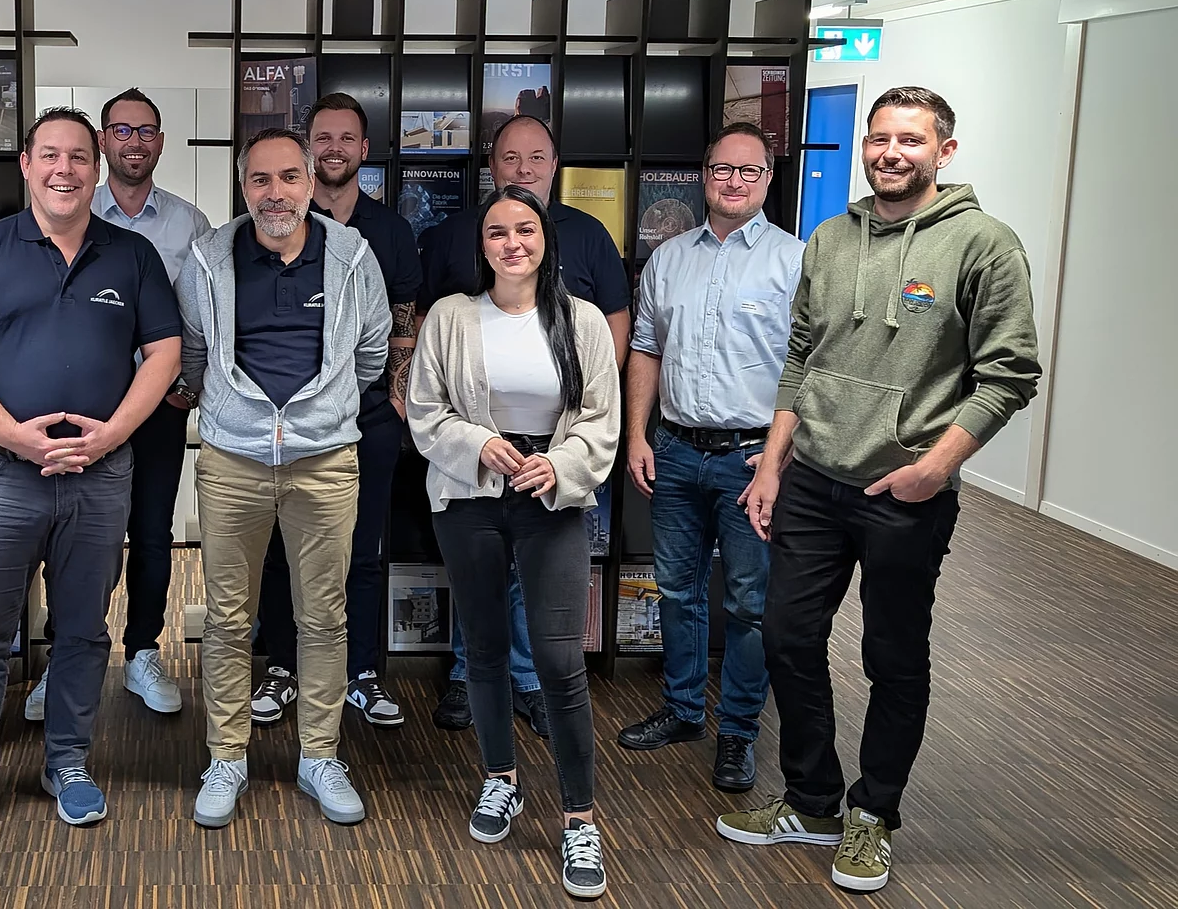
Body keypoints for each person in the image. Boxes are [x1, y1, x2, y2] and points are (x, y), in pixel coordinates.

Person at [719, 87, 1040, 893]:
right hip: (812, 478)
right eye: (879, 138)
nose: (890, 153)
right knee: (786, 636)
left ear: (944, 151)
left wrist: (936, 467)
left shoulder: (984, 245)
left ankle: (874, 813)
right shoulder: (831, 238)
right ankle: (812, 800)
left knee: (892, 656)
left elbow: (1010, 373)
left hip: (905, 492)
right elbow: (800, 356)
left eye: (910, 140)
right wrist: (771, 464)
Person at [0, 108, 181, 848]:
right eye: (50, 155)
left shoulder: (132, 256)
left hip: (99, 478)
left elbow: (164, 355)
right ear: (27, 164)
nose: (64, 169)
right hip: (3, 474)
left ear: (95, 169)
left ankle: (67, 763)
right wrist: (15, 435)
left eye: (78, 157)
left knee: (83, 630)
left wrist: (113, 434)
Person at [407, 185, 618, 898]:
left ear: (544, 238)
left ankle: (579, 817)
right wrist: (477, 442)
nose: (511, 244)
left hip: (550, 494)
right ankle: (500, 778)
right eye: (497, 232)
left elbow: (601, 417)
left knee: (559, 661)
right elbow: (425, 409)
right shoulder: (451, 316)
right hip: (469, 497)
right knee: (486, 648)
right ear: (482, 244)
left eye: (524, 230)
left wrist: (559, 464)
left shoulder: (582, 320)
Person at [179, 127, 391, 829]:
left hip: (324, 462)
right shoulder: (209, 259)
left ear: (309, 183)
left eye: (289, 178)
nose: (276, 193)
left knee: (323, 618)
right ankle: (227, 757)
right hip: (232, 461)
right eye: (260, 179)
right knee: (229, 619)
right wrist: (241, 417)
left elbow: (370, 353)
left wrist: (317, 418)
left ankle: (319, 756)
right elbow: (194, 353)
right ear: (243, 187)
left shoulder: (352, 257)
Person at [417, 114, 630, 735]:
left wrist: (577, 421)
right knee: (479, 587)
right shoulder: (453, 244)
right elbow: (431, 347)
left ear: (554, 165)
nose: (523, 169)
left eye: (536, 158)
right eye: (511, 158)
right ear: (491, 165)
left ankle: (529, 681)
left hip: (556, 452)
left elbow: (613, 327)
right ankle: (472, 676)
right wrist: (475, 442)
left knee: (540, 595)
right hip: (477, 460)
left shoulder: (589, 239)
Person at [617, 123, 804, 793]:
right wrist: (637, 435)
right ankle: (684, 709)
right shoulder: (669, 259)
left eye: (749, 171)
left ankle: (739, 732)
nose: (733, 181)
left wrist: (778, 460)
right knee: (676, 589)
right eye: (723, 169)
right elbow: (646, 349)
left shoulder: (794, 261)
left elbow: (807, 367)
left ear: (767, 180)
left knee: (750, 603)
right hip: (674, 450)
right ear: (704, 175)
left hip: (752, 460)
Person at [23, 87, 210, 720]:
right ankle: (65, 657)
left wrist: (191, 383)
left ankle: (143, 653)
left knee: (151, 533)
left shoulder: (189, 224)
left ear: (161, 142)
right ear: (103, 143)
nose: (134, 141)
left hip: (157, 406)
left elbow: (204, 315)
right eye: (121, 130)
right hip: (83, 409)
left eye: (146, 130)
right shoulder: (72, 207)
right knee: (72, 536)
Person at [252, 93, 422, 729]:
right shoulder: (276, 221)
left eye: (346, 138)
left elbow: (403, 323)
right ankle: (283, 666)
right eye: (322, 138)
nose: (333, 149)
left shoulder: (390, 231)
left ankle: (362, 672)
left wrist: (395, 398)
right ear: (306, 151)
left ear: (364, 150)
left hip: (368, 418)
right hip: (286, 424)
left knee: (364, 549)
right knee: (279, 548)